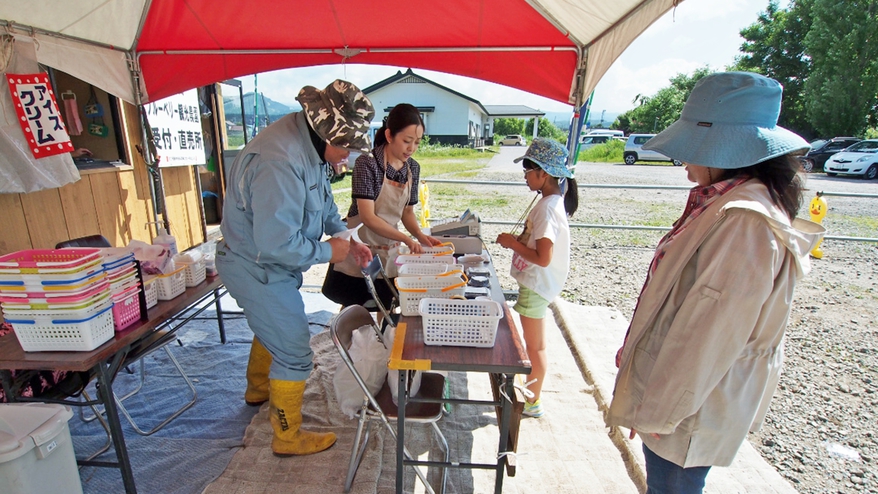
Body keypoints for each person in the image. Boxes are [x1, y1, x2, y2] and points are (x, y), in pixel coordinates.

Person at [606, 72, 825, 493]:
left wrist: (656, 409)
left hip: (687, 401)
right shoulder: (732, 202)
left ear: (725, 149)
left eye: (692, 150)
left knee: (673, 486)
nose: (685, 165)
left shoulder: (745, 220)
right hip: (678, 392)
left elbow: (707, 334)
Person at [216, 79, 373, 457]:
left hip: (269, 261)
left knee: (276, 324)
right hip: (254, 264)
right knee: (294, 349)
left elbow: (324, 205)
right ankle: (287, 437)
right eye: (346, 147)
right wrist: (328, 252)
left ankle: (257, 390)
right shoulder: (280, 162)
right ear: (326, 132)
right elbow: (277, 244)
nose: (347, 158)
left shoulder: (308, 141)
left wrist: (346, 237)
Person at [322, 103, 442, 309]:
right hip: (361, 246)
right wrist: (405, 238)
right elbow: (368, 217)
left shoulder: (413, 167)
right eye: (406, 141)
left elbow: (407, 212)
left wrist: (420, 236)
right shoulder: (367, 163)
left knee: (387, 306)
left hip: (388, 248)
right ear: (389, 135)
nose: (411, 148)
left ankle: (384, 341)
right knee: (354, 306)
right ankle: (347, 340)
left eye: (417, 142)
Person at [496, 137, 578, 418]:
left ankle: (533, 402)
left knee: (535, 347)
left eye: (528, 172)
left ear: (543, 173)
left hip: (536, 285)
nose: (526, 177)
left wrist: (511, 243)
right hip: (536, 284)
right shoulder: (550, 203)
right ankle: (532, 396)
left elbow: (543, 257)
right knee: (534, 345)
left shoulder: (547, 209)